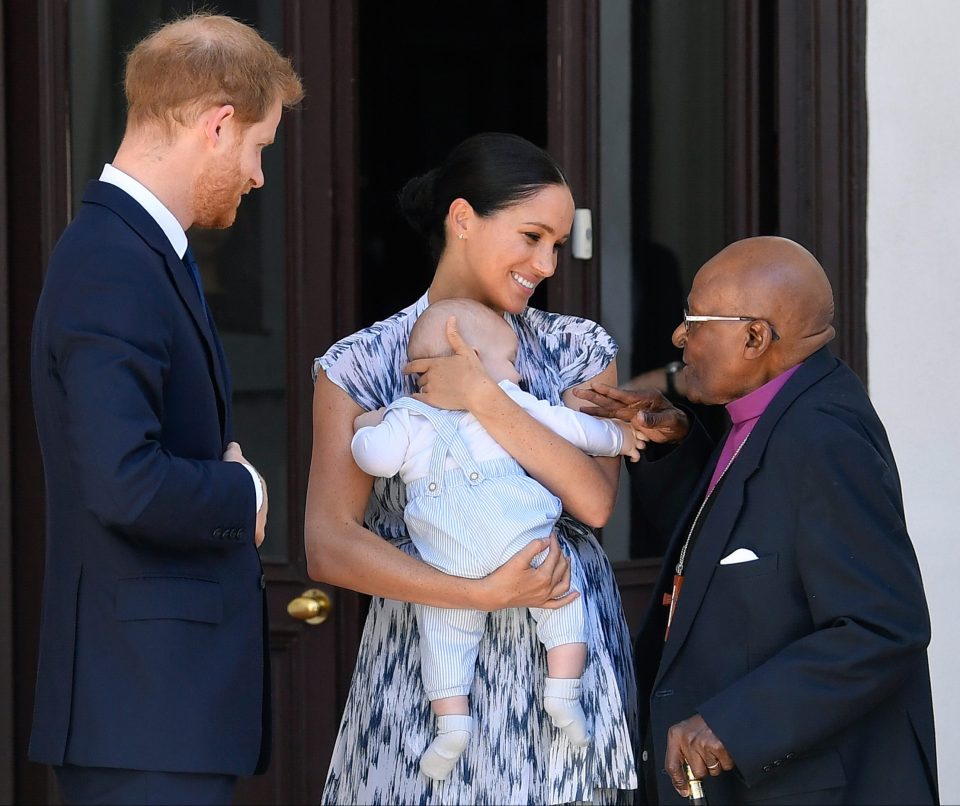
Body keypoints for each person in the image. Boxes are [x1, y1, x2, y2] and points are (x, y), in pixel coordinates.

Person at [306, 132, 639, 805]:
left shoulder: (576, 349)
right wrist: (479, 596)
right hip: (427, 677)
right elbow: (328, 545)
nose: (547, 261)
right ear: (462, 220)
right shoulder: (360, 365)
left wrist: (484, 397)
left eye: (556, 242)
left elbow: (595, 504)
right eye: (531, 236)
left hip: (560, 683)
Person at [29, 13, 303, 805]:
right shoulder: (113, 260)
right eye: (259, 149)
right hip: (139, 715)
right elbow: (125, 482)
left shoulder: (140, 253)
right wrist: (243, 493)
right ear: (219, 125)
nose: (257, 175)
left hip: (156, 713)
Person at [575, 236, 939, 805]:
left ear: (753, 336)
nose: (678, 337)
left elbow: (883, 626)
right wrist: (677, 447)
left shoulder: (824, 436)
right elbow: (741, 555)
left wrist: (733, 724)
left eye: (694, 320)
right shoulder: (768, 412)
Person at [350, 297, 643, 780]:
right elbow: (575, 429)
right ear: (472, 358)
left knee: (442, 641)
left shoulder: (406, 417)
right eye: (510, 361)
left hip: (448, 562)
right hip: (521, 540)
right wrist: (620, 439)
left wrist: (365, 427)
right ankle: (563, 693)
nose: (521, 375)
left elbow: (375, 460)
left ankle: (451, 728)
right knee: (562, 601)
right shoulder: (512, 402)